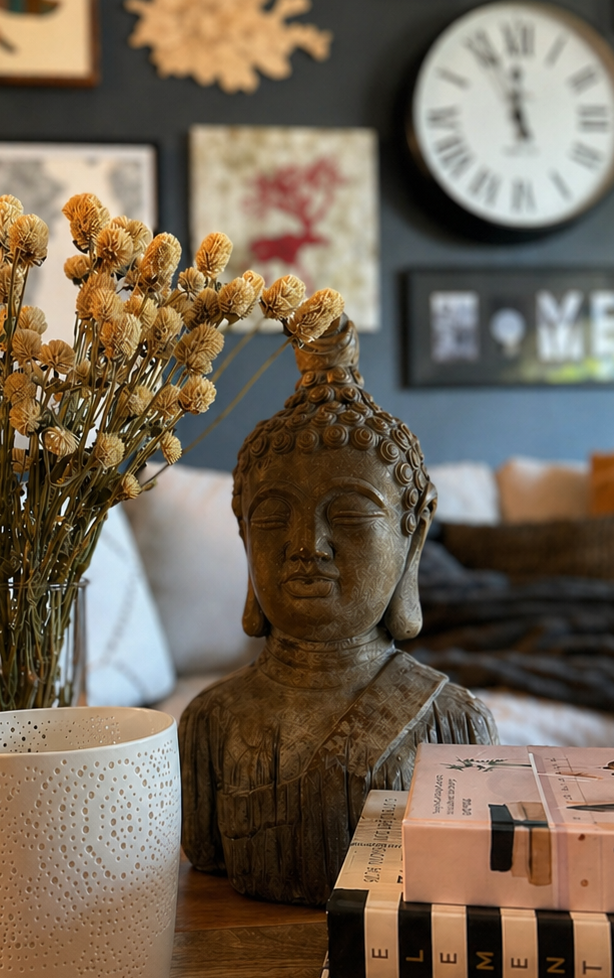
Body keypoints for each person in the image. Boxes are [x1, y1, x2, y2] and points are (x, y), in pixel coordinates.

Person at [180, 313, 497, 906]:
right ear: (244, 536)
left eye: (349, 516)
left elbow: (467, 882)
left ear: (413, 537)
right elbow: (204, 871)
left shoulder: (455, 724)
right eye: (273, 518)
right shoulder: (209, 723)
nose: (307, 545)